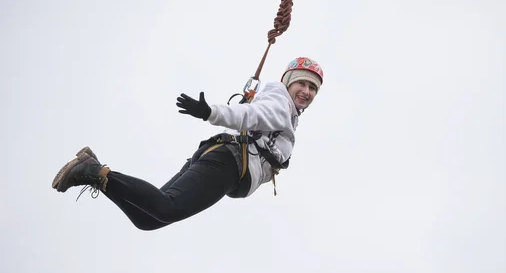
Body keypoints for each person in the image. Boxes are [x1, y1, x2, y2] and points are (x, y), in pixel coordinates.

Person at [51, 57, 324, 230]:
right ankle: (93, 170)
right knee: (165, 208)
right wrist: (211, 113)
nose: (307, 92)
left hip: (221, 160)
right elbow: (250, 115)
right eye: (302, 84)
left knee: (148, 218)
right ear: (288, 84)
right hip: (228, 163)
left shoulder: (286, 113)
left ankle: (96, 175)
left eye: (313, 88)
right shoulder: (279, 105)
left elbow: (254, 115)